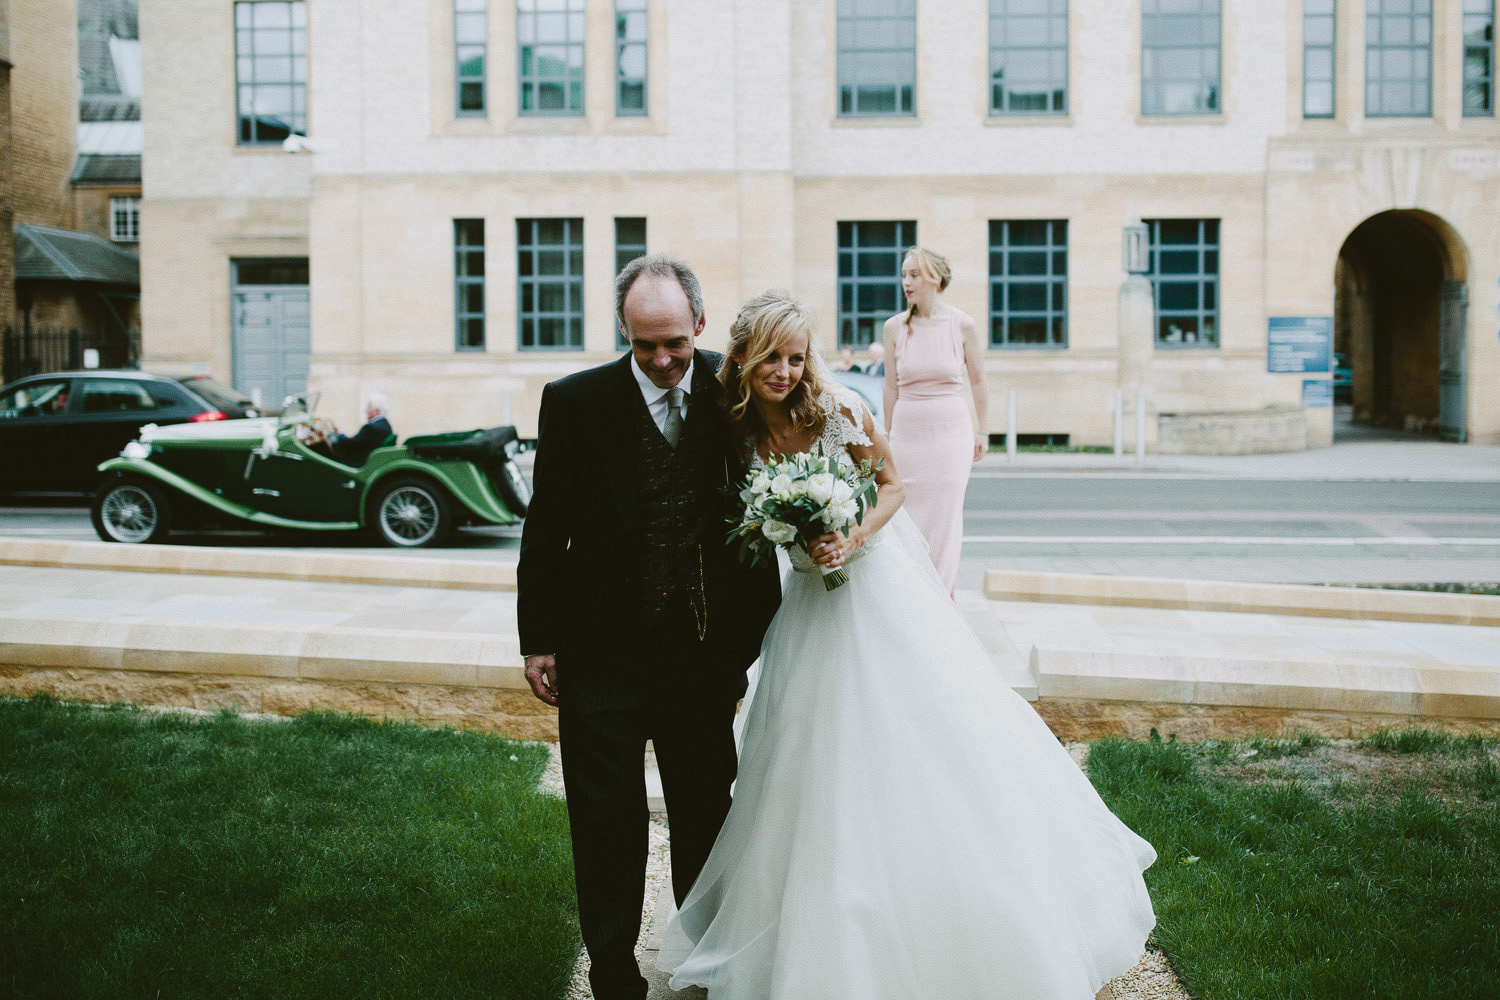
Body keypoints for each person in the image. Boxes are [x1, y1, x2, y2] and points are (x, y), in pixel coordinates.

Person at [663, 289, 1156, 999]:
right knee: (810, 749)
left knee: (910, 734)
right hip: (807, 606)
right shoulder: (734, 429)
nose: (784, 371)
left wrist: (852, 533)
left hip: (871, 591)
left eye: (796, 357)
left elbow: (893, 485)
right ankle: (816, 927)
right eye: (770, 357)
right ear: (742, 356)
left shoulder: (837, 410)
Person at [516, 254, 780, 1000]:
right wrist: (538, 638)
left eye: (675, 344)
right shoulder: (575, 402)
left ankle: (702, 963)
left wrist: (742, 648)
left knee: (705, 814)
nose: (662, 360)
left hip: (702, 653)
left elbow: (763, 514)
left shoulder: (737, 387)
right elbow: (547, 525)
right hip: (598, 650)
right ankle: (611, 970)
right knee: (605, 818)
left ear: (700, 324)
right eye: (644, 345)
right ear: (623, 332)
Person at [882, 246, 988, 595]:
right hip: (907, 435)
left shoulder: (963, 325)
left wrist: (983, 430)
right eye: (903, 275)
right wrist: (887, 436)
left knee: (945, 518)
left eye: (914, 274)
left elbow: (978, 381)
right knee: (906, 517)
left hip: (950, 435)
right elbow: (890, 386)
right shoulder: (894, 328)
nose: (906, 282)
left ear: (936, 278)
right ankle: (911, 596)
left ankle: (943, 597)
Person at [328, 391, 394, 466]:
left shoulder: (370, 428)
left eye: (369, 407)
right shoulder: (387, 426)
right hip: (369, 461)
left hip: (357, 463)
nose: (366, 410)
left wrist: (340, 434)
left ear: (376, 411)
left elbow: (350, 443)